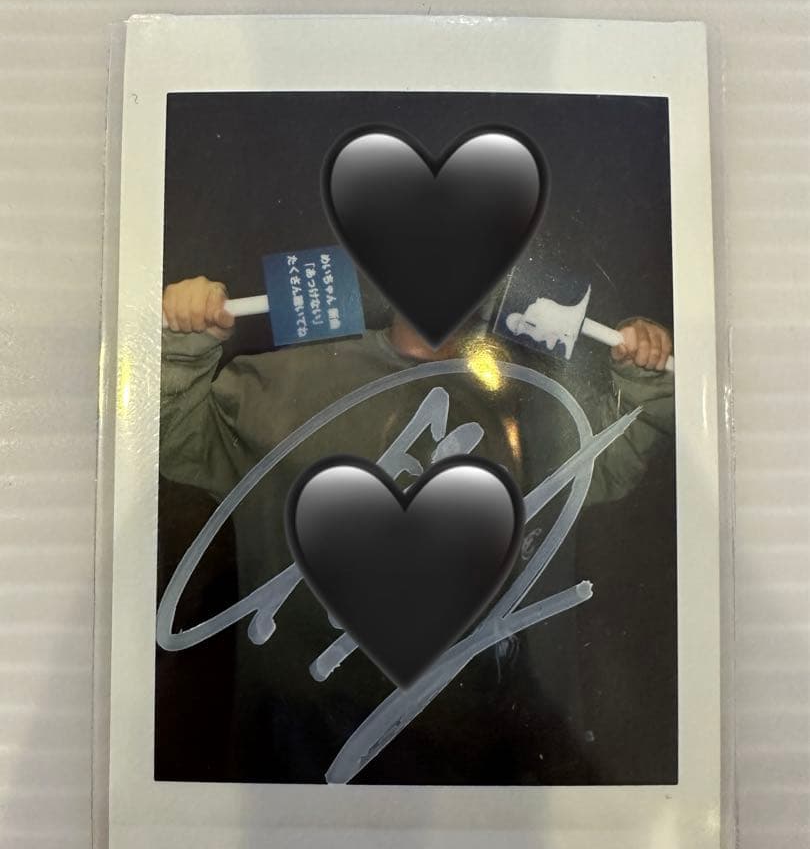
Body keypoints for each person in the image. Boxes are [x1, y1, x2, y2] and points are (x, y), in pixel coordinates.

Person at [160, 275, 675, 785]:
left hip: (472, 745)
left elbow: (607, 461)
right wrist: (185, 340)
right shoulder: (290, 379)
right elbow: (179, 439)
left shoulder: (528, 396)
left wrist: (643, 374)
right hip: (301, 745)